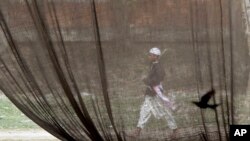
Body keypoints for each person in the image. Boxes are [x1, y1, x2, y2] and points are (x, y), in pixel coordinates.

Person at [127, 47, 178, 139]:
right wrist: (148, 80)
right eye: (149, 54)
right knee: (144, 111)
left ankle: (175, 130)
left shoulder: (158, 67)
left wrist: (146, 80)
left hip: (156, 93)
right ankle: (137, 131)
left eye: (150, 55)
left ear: (155, 56)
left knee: (165, 112)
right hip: (150, 93)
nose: (149, 56)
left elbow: (159, 78)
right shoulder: (153, 65)